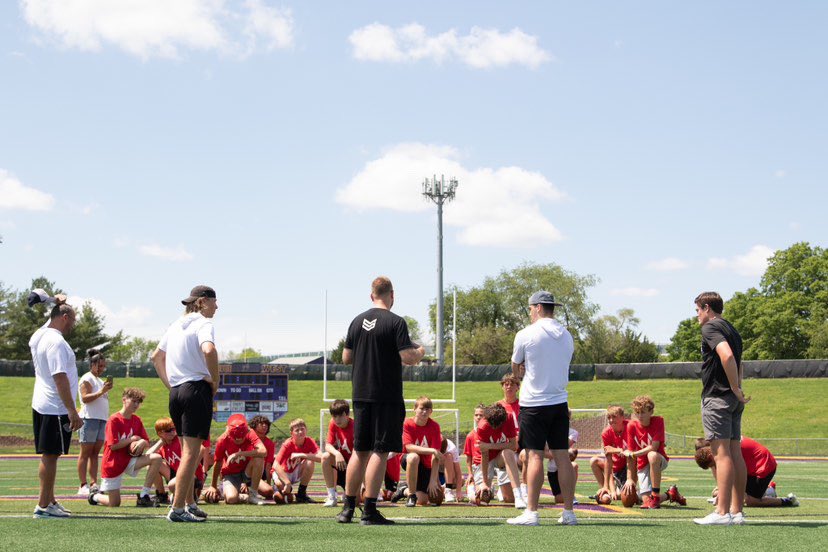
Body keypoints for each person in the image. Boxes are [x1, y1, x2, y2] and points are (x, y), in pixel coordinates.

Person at [338, 276, 425, 525]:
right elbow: (408, 357)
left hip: (360, 393)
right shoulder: (395, 321)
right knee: (380, 450)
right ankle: (369, 509)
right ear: (392, 295)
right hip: (386, 395)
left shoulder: (356, 321)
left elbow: (346, 357)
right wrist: (420, 351)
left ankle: (347, 509)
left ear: (371, 295)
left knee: (360, 450)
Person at [507, 291, 576, 526]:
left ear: (537, 307)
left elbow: (516, 366)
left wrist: (521, 374)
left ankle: (532, 513)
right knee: (562, 455)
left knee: (534, 455)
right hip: (559, 402)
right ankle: (568, 512)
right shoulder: (567, 335)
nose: (529, 313)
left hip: (534, 402)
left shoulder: (526, 334)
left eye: (530, 308)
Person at [152, 285, 219, 522]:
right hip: (196, 390)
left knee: (187, 452)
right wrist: (215, 380)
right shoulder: (203, 323)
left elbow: (156, 357)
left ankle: (189, 502)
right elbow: (209, 350)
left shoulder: (175, 325)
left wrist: (171, 385)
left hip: (177, 392)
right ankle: (178, 508)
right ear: (203, 301)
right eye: (214, 301)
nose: (217, 307)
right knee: (192, 453)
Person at [692, 291, 750, 526]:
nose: (697, 315)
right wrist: (737, 389)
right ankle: (737, 512)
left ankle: (722, 512)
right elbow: (739, 363)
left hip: (717, 397)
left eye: (698, 310)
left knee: (721, 454)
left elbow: (726, 356)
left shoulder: (710, 327)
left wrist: (734, 387)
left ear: (707, 308)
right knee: (735, 453)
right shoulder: (732, 329)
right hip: (732, 399)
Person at [29, 292, 83, 519]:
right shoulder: (57, 342)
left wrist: (55, 302)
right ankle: (43, 506)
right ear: (64, 318)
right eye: (72, 320)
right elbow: (60, 377)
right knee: (50, 455)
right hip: (56, 407)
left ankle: (50, 500)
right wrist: (72, 410)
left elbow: (51, 319)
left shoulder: (39, 335)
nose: (73, 325)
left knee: (50, 454)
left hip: (42, 403)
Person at [88, 388, 163, 507]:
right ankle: (95, 496)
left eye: (138, 402)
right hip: (113, 463)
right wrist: (132, 439)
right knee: (114, 503)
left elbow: (147, 441)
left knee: (156, 458)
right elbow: (113, 446)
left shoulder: (137, 420)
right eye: (134, 401)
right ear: (124, 400)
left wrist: (142, 442)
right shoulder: (114, 419)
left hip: (129, 460)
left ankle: (144, 496)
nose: (136, 405)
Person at [622, 395, 686, 509]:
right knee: (645, 501)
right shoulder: (631, 426)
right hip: (642, 464)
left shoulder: (658, 421)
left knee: (652, 455)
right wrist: (630, 478)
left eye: (643, 412)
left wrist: (633, 454)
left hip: (659, 459)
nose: (640, 416)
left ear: (651, 412)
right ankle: (670, 494)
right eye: (637, 412)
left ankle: (655, 495)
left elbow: (653, 447)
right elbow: (630, 455)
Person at [695, 438, 799, 508]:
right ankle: (768, 490)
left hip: (763, 466)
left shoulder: (724, 451)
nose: (716, 466)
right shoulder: (719, 445)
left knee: (749, 501)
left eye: (713, 464)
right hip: (753, 466)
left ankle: (788, 501)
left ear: (710, 456)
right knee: (723, 493)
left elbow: (732, 476)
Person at [469, 403, 525, 509]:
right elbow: (485, 454)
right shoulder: (482, 426)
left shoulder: (508, 418)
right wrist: (484, 482)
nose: (494, 428)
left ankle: (518, 496)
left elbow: (513, 446)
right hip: (487, 459)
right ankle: (471, 488)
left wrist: (489, 445)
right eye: (492, 424)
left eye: (497, 425)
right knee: (482, 499)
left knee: (510, 499)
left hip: (500, 457)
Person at [203, 414, 267, 505]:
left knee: (268, 491)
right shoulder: (222, 439)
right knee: (231, 499)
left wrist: (239, 454)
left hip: (247, 471)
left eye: (241, 437)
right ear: (229, 433)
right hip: (231, 474)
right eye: (236, 438)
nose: (239, 440)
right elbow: (218, 462)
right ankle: (242, 496)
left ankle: (253, 494)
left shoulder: (250, 432)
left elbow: (263, 451)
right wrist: (213, 486)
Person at [76, 348, 113, 496]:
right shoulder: (87, 378)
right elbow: (85, 398)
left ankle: (93, 483)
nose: (102, 369)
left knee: (95, 453)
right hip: (89, 418)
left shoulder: (99, 380)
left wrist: (104, 390)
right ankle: (82, 485)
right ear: (92, 364)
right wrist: (101, 391)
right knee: (85, 453)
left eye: (104, 366)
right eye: (100, 366)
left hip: (101, 419)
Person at [154, 417, 208, 505]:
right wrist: (160, 442)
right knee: (154, 462)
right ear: (160, 433)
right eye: (168, 430)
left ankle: (191, 495)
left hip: (191, 475)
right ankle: (162, 495)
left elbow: (201, 449)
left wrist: (190, 469)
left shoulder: (179, 439)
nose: (172, 432)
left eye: (173, 429)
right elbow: (149, 456)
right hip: (177, 474)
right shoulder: (163, 445)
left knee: (172, 485)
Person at [402, 396, 443, 507]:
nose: (424, 412)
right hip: (409, 459)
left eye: (427, 409)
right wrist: (431, 450)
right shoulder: (407, 423)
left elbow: (436, 456)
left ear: (431, 411)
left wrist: (433, 480)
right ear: (414, 409)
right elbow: (408, 447)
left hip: (426, 465)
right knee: (414, 457)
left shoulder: (434, 426)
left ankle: (403, 490)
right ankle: (411, 495)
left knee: (423, 499)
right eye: (421, 408)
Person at [272, 418, 322, 503]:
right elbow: (275, 464)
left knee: (310, 462)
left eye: (302, 429)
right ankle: (279, 490)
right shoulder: (288, 444)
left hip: (296, 470)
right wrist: (287, 483)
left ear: (306, 430)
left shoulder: (309, 441)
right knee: (281, 491)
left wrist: (302, 455)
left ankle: (301, 494)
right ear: (291, 433)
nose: (300, 432)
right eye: (297, 430)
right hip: (284, 472)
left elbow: (321, 458)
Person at [589, 405, 629, 501]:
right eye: (609, 417)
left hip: (629, 466)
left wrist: (616, 449)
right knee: (594, 461)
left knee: (623, 496)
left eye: (614, 417)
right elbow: (608, 460)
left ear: (623, 417)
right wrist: (607, 485)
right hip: (615, 468)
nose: (611, 420)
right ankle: (604, 489)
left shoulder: (631, 427)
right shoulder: (606, 433)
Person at [322, 399, 354, 507]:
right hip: (342, 464)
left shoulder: (356, 426)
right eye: (334, 416)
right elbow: (327, 445)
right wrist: (337, 453)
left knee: (358, 500)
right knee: (325, 457)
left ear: (347, 415)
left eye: (340, 416)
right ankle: (332, 496)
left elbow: (361, 454)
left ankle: (352, 491)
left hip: (355, 468)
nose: (337, 419)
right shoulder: (333, 423)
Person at [250, 415, 277, 499]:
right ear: (254, 425)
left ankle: (277, 487)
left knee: (268, 491)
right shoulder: (248, 440)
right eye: (261, 424)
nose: (265, 426)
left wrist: (269, 484)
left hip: (261, 472)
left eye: (266, 424)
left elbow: (268, 465)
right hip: (247, 472)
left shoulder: (270, 443)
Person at [439, 437, 463, 503]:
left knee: (448, 456)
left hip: (446, 475)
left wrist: (458, 491)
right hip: (433, 473)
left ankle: (448, 489)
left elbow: (458, 471)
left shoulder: (451, 448)